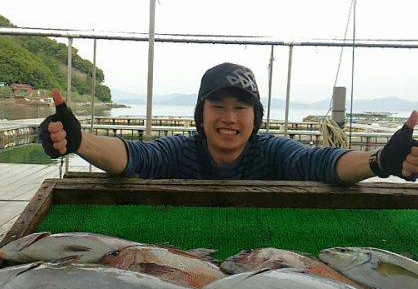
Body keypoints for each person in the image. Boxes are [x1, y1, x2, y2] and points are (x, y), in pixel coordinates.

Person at [39, 62, 418, 184]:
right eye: (216, 105)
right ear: (200, 115)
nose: (229, 119)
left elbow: (321, 163)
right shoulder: (180, 149)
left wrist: (378, 163)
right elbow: (133, 156)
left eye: (241, 108)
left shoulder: (271, 151)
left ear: (256, 117)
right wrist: (79, 141)